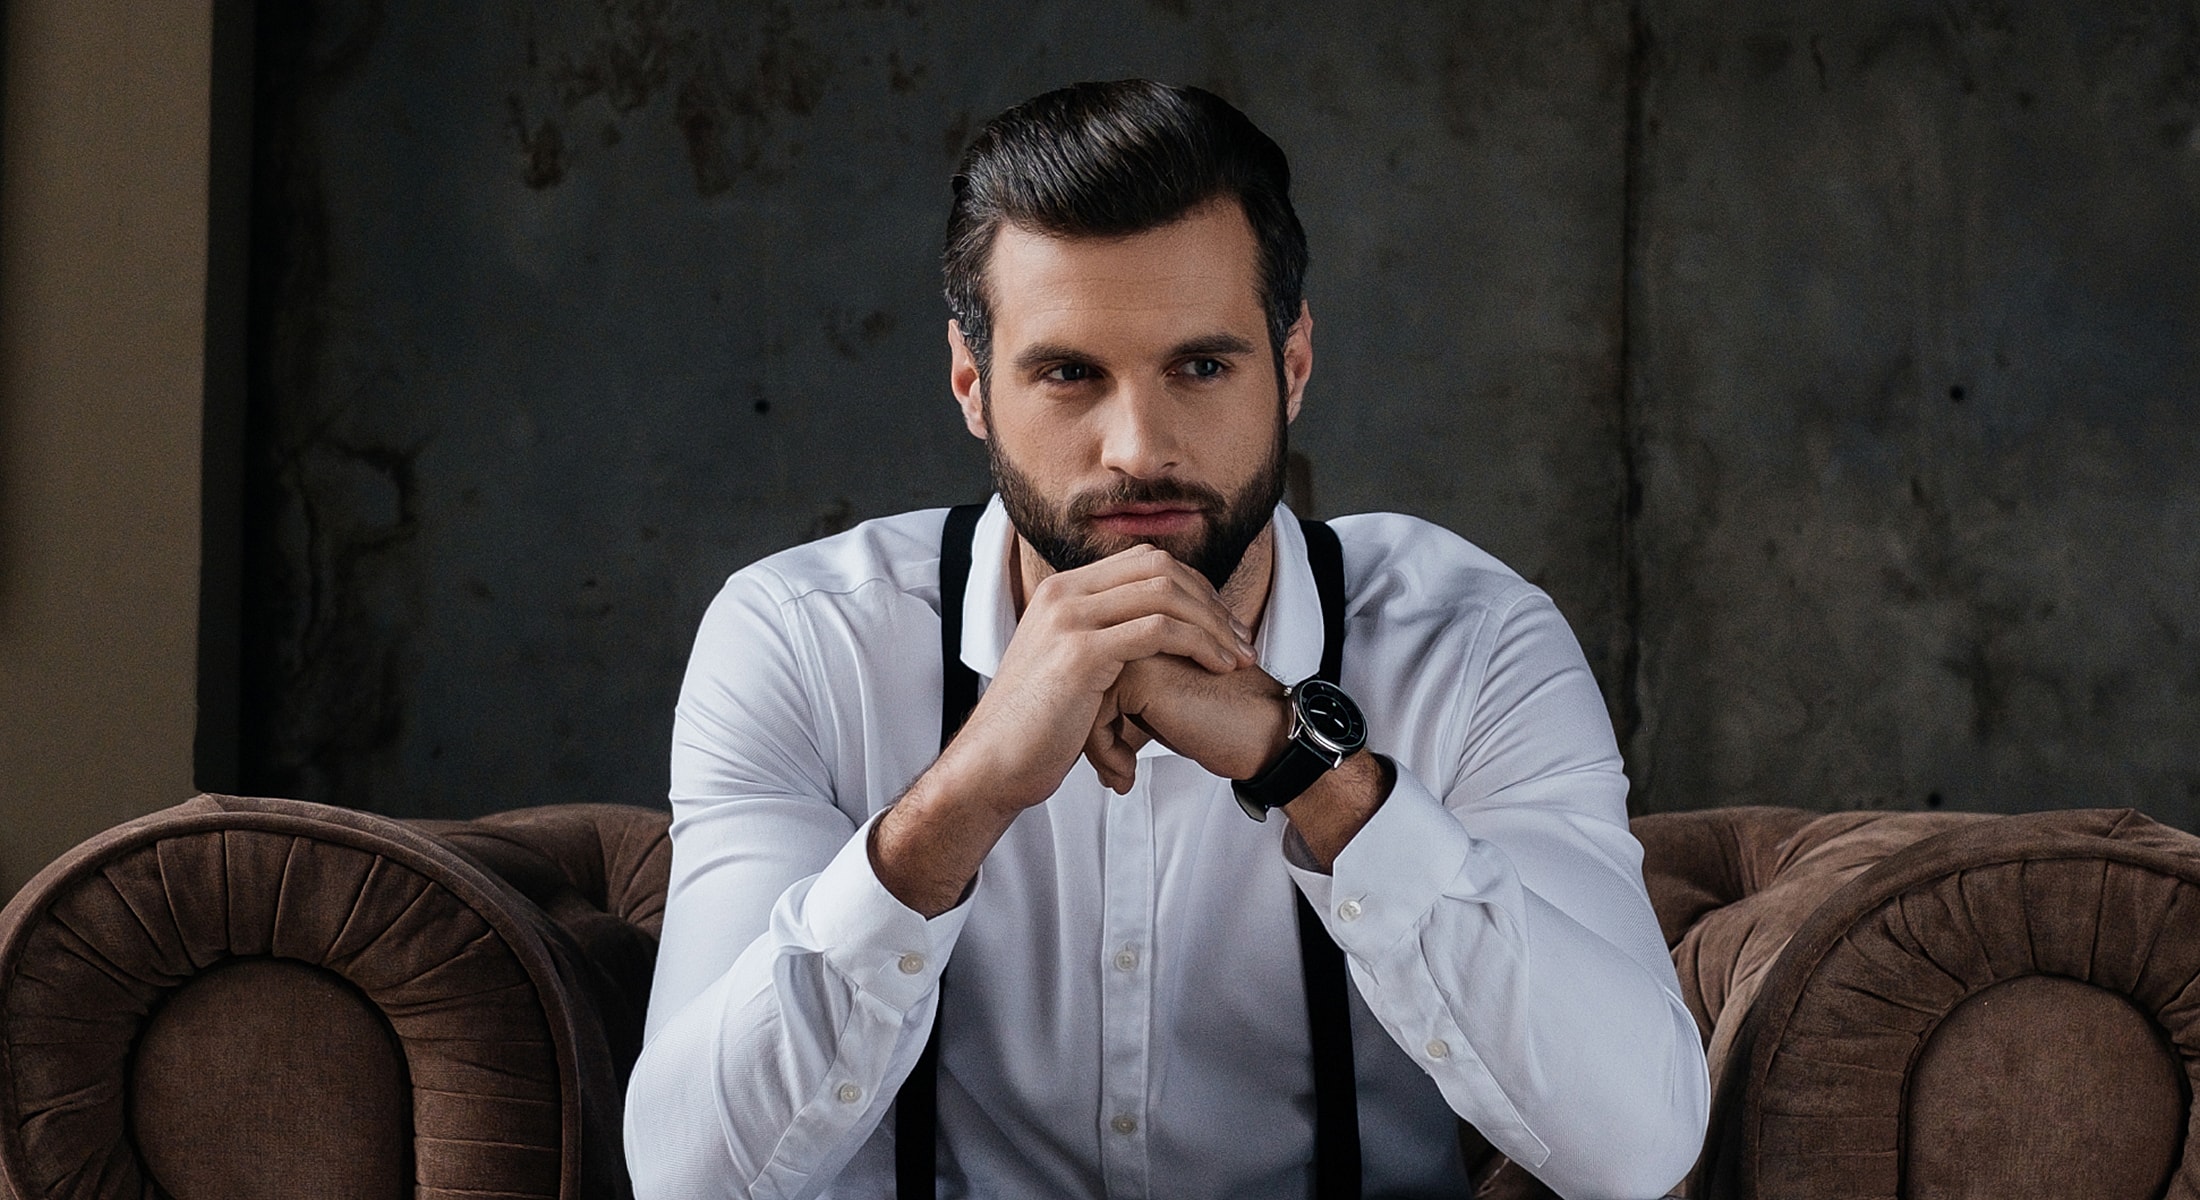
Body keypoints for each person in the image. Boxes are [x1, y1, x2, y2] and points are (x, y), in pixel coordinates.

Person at [624, 80, 1709, 1200]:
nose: (1138, 449)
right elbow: (688, 1178)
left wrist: (1308, 769)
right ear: (971, 385)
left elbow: (1635, 1145)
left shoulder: (1473, 644)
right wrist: (963, 797)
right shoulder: (804, 641)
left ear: (1290, 365)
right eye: (1067, 373)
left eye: (1200, 366)